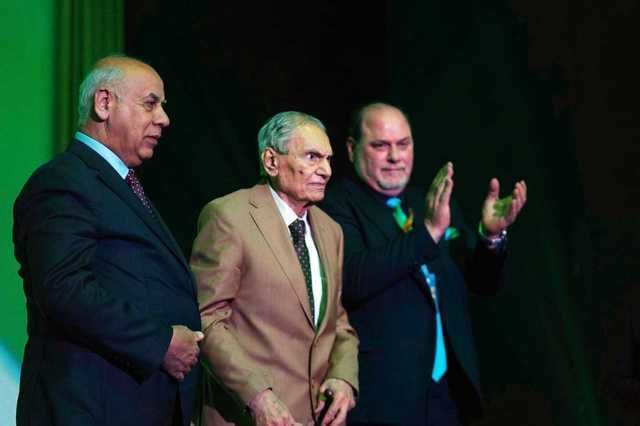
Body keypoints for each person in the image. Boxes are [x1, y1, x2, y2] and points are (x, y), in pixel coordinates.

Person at [13, 56, 203, 426]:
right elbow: (64, 289)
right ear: (104, 103)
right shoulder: (64, 181)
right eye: (150, 103)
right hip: (88, 410)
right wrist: (160, 342)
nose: (164, 118)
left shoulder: (120, 185)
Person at [320, 102, 527, 425]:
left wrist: (490, 237)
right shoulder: (334, 206)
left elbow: (483, 283)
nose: (395, 156)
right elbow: (352, 280)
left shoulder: (428, 200)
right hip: (383, 399)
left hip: (450, 395)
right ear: (351, 148)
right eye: (380, 146)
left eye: (403, 144)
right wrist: (428, 232)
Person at [190, 111, 359, 426]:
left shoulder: (331, 230)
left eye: (328, 159)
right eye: (312, 157)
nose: (326, 170)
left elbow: (337, 323)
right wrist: (257, 396)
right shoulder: (229, 217)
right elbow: (207, 318)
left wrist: (344, 377)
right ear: (271, 161)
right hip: (248, 416)